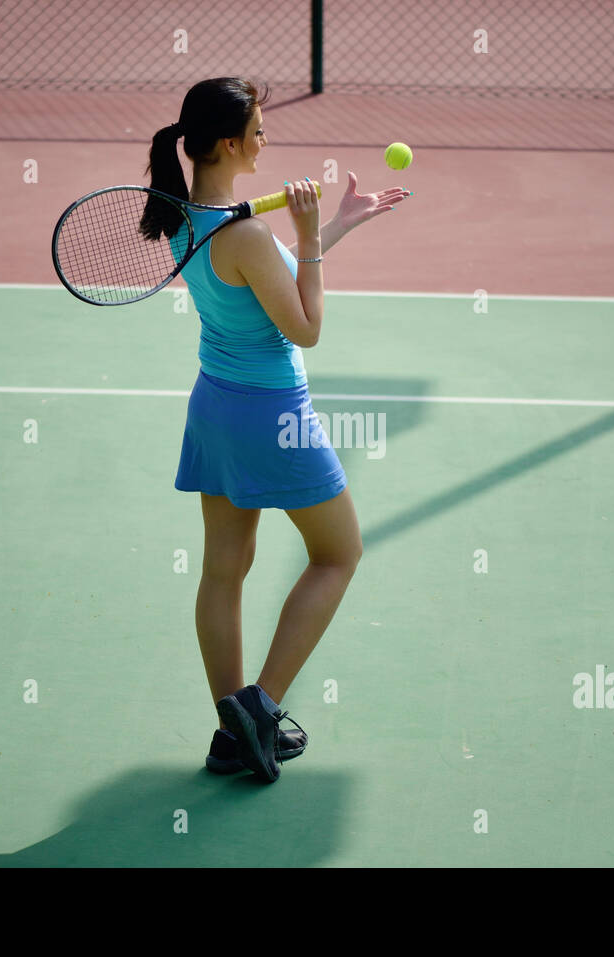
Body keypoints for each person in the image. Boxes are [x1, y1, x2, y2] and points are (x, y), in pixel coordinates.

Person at [143, 76, 410, 782]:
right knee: (338, 553)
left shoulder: (184, 215)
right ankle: (261, 706)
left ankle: (231, 733)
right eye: (260, 130)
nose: (267, 141)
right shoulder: (250, 231)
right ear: (229, 142)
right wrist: (306, 238)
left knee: (223, 572)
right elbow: (306, 325)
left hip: (215, 410)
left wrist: (338, 225)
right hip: (274, 418)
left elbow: (265, 279)